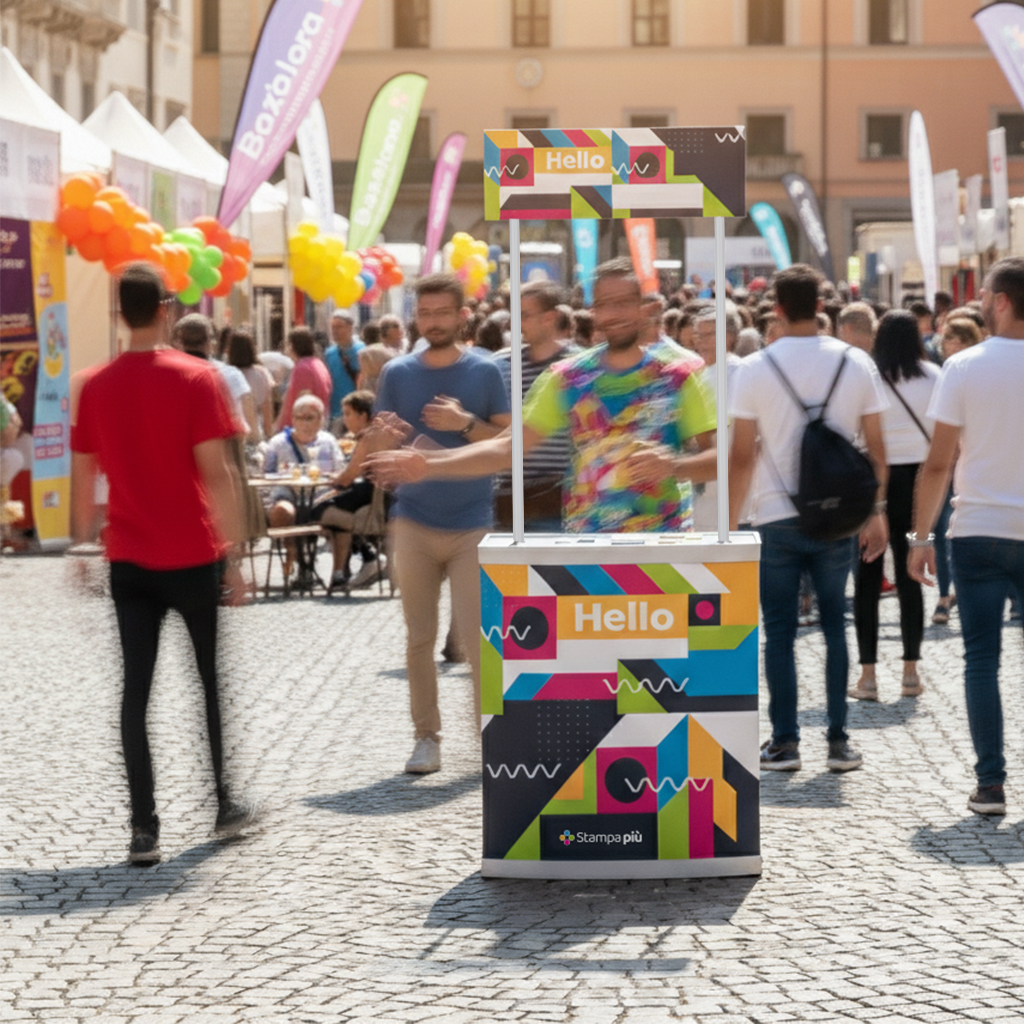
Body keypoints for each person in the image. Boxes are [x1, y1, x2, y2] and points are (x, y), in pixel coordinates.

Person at [69, 263, 253, 866]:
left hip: (130, 558)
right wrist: (235, 555)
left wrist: (79, 545)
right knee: (207, 684)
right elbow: (218, 474)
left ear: (120, 315)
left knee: (135, 695)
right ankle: (225, 803)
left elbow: (82, 478)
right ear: (168, 310)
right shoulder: (198, 377)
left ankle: (143, 828)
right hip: (193, 552)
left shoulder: (93, 385)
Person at [369, 258, 718, 536]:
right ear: (593, 311)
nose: (615, 314)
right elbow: (508, 448)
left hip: (664, 546)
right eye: (605, 304)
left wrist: (674, 466)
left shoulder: (681, 375)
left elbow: (721, 456)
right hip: (588, 548)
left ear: (643, 308)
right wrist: (427, 465)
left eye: (625, 303)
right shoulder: (569, 378)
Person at [728, 264, 888, 774]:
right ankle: (839, 741)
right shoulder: (855, 363)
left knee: (778, 631)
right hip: (839, 516)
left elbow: (740, 457)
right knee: (836, 626)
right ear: (822, 305)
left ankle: (785, 742)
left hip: (775, 515)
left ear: (776, 308)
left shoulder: (754, 369)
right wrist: (878, 512)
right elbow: (878, 451)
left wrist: (731, 527)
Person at [374, 274, 512, 775]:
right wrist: (378, 441)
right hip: (412, 519)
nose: (432, 321)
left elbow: (508, 440)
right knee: (419, 638)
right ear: (417, 316)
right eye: (425, 313)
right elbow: (381, 441)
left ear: (462, 316)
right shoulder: (396, 372)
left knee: (480, 639)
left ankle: (490, 738)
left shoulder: (485, 371)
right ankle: (426, 738)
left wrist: (463, 424)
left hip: (474, 521)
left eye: (442, 313)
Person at [909, 257, 1024, 816]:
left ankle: (992, 784)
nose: (979, 303)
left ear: (1001, 301)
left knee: (981, 659)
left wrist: (919, 536)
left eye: (984, 295)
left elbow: (937, 464)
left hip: (979, 530)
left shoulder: (964, 367)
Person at [850, 310, 939, 701]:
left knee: (867, 577)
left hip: (873, 478)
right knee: (910, 576)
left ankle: (868, 677)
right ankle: (910, 672)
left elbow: (855, 433)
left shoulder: (868, 378)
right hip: (920, 480)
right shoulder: (934, 377)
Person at [492, 279, 577, 531]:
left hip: (560, 503)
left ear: (549, 318)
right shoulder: (503, 365)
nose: (514, 323)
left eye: (524, 315)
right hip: (509, 503)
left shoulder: (579, 367)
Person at [931, 317, 985, 624]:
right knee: (942, 532)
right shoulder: (943, 374)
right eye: (948, 340)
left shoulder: (968, 372)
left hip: (969, 467)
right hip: (951, 465)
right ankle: (943, 596)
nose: (950, 346)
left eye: (957, 340)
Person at [263, 394, 344, 585]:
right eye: (299, 417)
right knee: (283, 511)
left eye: (310, 417)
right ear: (293, 419)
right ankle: (297, 557)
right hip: (288, 492)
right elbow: (266, 474)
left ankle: (338, 571)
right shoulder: (278, 443)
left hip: (321, 495)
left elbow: (340, 470)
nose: (304, 423)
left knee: (337, 511)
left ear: (321, 420)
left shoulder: (328, 442)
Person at [313, 390, 383, 590]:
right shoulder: (382, 432)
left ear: (363, 415)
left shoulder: (368, 437)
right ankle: (352, 566)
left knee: (319, 509)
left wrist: (332, 480)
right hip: (381, 493)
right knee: (333, 512)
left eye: (348, 414)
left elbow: (349, 476)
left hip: (372, 492)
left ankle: (369, 555)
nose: (345, 420)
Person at [275, 326, 332, 432]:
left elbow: (304, 400)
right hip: (318, 422)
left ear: (292, 346)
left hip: (299, 429)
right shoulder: (319, 363)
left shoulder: (302, 368)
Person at [227, 328, 275, 442]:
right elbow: (267, 409)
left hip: (231, 436)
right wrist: (269, 435)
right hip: (254, 434)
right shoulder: (261, 374)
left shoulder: (225, 374)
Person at [323, 310, 364, 426]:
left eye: (339, 327)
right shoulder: (329, 353)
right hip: (335, 413)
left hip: (357, 413)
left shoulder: (363, 351)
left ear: (350, 327)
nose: (335, 331)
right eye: (333, 327)